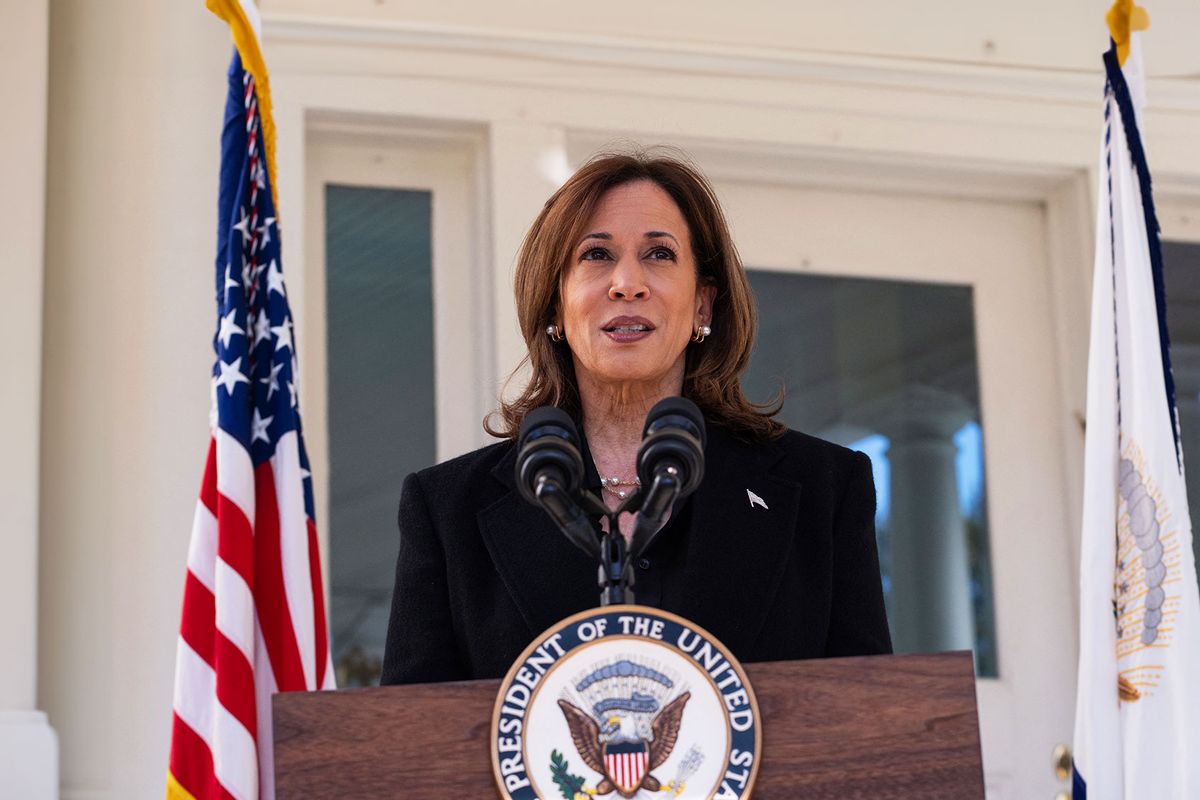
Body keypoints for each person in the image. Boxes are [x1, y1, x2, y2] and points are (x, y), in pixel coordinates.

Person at [381, 151, 891, 685]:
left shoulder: (824, 490)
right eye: (596, 254)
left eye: (659, 254)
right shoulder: (447, 511)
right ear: (556, 305)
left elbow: (870, 725)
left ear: (703, 305)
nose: (627, 282)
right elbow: (408, 746)